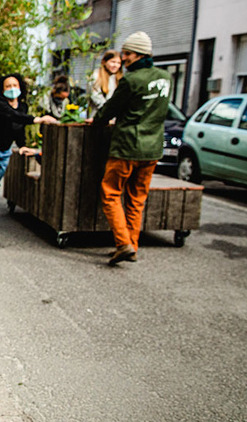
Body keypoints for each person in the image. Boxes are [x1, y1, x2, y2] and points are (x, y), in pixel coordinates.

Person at [88, 32, 171, 265]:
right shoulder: (166, 78)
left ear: (138, 55)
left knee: (111, 193)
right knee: (137, 199)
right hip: (152, 149)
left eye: (127, 54)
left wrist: (97, 123)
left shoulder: (132, 80)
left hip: (126, 146)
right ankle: (132, 246)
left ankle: (123, 243)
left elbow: (109, 110)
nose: (123, 58)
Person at [0, 73, 57, 229]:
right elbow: (14, 116)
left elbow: (18, 127)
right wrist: (37, 119)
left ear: (20, 88)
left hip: (4, 151)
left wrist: (22, 144)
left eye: (15, 85)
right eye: (8, 86)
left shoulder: (22, 106)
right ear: (2, 89)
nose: (12, 89)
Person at [88, 50, 123, 118]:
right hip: (98, 116)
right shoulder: (96, 76)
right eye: (113, 62)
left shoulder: (118, 78)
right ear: (104, 62)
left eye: (119, 63)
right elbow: (96, 98)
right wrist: (109, 112)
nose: (116, 65)